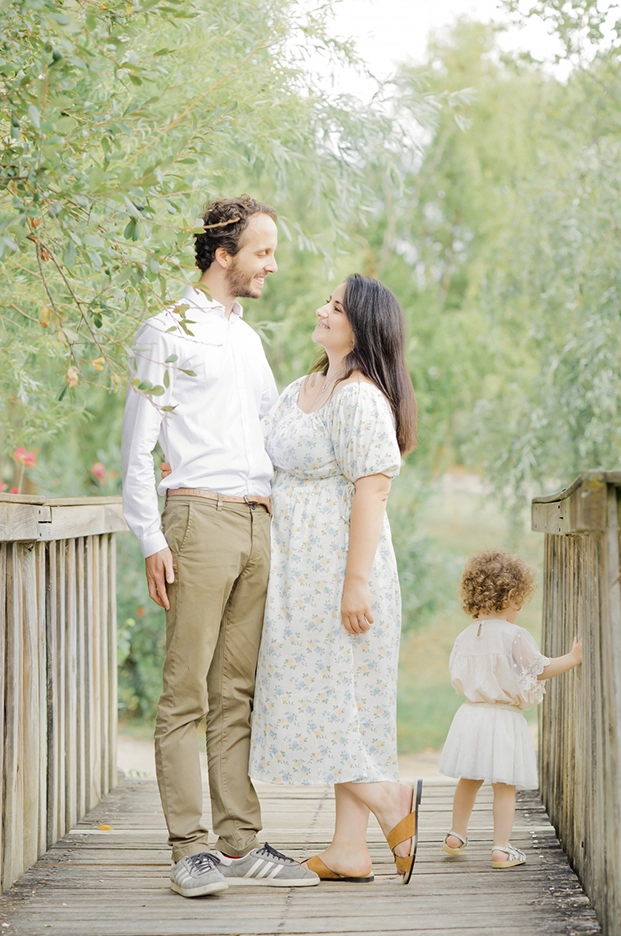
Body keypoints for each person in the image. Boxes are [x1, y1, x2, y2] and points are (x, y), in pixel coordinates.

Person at [121, 195, 318, 897]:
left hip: (257, 523)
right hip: (197, 520)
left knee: (235, 692)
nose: (272, 265)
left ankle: (240, 843)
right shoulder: (164, 331)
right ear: (224, 255)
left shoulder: (248, 341)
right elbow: (137, 446)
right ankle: (190, 850)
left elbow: (274, 433)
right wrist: (151, 537)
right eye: (263, 252)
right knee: (186, 693)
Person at [249, 274, 423, 884]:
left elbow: (373, 490)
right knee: (340, 706)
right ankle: (350, 849)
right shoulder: (302, 388)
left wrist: (355, 584)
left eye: (338, 307)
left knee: (333, 701)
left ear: (363, 328)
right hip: (298, 572)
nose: (323, 310)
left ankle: (388, 798)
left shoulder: (361, 399)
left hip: (342, 573)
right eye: (328, 301)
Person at [439, 548, 583, 869]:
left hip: (471, 715)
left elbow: (457, 674)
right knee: (504, 785)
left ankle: (456, 834)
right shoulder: (513, 635)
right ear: (511, 597)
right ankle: (501, 849)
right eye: (520, 601)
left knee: (469, 778)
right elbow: (538, 668)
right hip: (503, 718)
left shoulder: (465, 636)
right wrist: (573, 658)